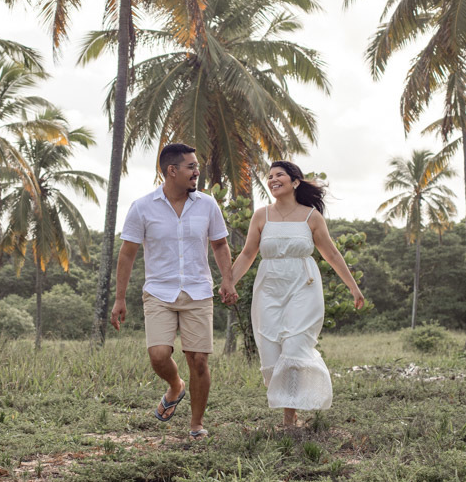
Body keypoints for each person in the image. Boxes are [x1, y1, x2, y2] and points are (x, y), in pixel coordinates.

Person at [110, 143, 238, 440]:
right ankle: (176, 385)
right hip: (159, 291)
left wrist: (227, 280)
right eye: (191, 167)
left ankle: (196, 425)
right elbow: (127, 253)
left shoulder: (207, 205)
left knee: (199, 360)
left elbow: (220, 245)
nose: (197, 172)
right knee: (158, 355)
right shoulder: (142, 207)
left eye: (196, 166)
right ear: (172, 171)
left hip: (197, 290)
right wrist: (119, 298)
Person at [226, 160, 365, 427]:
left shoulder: (311, 216)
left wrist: (353, 287)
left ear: (295, 182)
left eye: (280, 175)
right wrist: (228, 282)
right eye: (270, 176)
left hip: (303, 286)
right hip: (269, 288)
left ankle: (289, 419)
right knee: (270, 351)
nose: (273, 179)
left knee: (294, 347)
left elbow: (332, 253)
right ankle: (290, 407)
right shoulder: (261, 215)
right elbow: (247, 254)